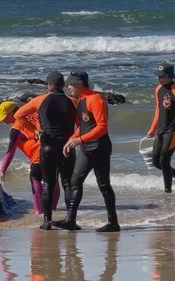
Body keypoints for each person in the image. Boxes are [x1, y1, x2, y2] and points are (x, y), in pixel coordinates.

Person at [54, 71, 120, 232]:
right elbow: (84, 127)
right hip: (86, 148)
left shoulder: (95, 99)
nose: (68, 86)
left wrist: (80, 140)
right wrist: (72, 139)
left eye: (70, 84)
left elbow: (102, 127)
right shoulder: (81, 100)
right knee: (75, 181)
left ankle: (113, 223)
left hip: (99, 148)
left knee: (103, 185)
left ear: (79, 84)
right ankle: (70, 220)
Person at [14, 71, 77, 230]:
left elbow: (18, 115)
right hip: (67, 147)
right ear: (63, 85)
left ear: (49, 85)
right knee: (68, 185)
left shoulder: (40, 100)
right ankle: (70, 220)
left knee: (48, 184)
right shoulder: (73, 102)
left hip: (47, 147)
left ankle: (47, 222)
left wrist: (35, 131)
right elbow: (82, 126)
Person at [0, 101, 60, 215]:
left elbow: (10, 152)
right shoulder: (34, 115)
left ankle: (39, 211)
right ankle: (53, 210)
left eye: (5, 117)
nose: (3, 120)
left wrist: (2, 170)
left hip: (39, 155)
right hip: (55, 150)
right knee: (53, 181)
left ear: (12, 113)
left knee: (35, 178)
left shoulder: (16, 128)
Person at [147, 63, 175, 193]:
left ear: (169, 76)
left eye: (161, 77)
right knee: (156, 161)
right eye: (158, 76)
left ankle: (168, 191)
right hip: (160, 130)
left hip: (173, 131)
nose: (158, 79)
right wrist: (152, 129)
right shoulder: (158, 89)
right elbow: (158, 110)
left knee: (164, 159)